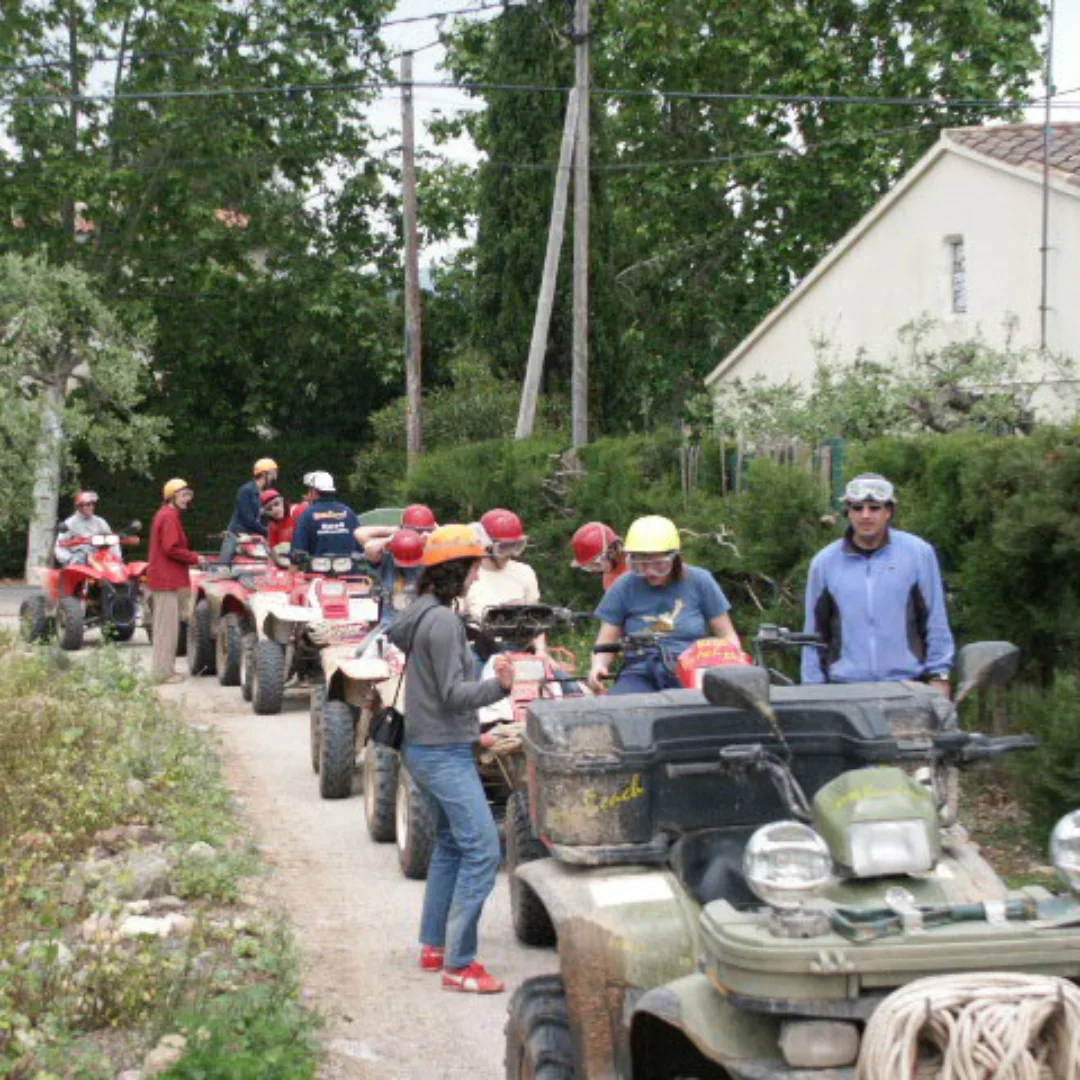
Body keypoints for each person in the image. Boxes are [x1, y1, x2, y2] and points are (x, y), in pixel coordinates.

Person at [387, 523, 513, 994]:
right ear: (457, 570)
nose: (478, 575)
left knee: (451, 845)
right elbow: (451, 693)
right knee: (483, 849)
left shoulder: (422, 613)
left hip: (432, 744)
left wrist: (471, 736)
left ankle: (434, 944)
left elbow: (432, 693)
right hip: (440, 752)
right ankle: (460, 965)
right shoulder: (442, 621)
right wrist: (499, 687)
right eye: (476, 566)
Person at [801, 473, 954, 693]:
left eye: (874, 508)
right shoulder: (824, 563)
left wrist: (940, 675)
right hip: (845, 690)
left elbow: (935, 619)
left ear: (888, 512)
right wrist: (811, 688)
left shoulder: (918, 554)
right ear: (848, 513)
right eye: (857, 508)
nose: (865, 515)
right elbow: (814, 632)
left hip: (908, 687)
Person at [586, 514, 741, 695]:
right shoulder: (623, 586)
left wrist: (733, 666)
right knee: (621, 706)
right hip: (640, 671)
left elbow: (728, 637)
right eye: (639, 565)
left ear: (674, 558)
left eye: (659, 565)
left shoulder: (701, 581)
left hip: (692, 668)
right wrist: (598, 666)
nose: (648, 572)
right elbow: (604, 643)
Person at [148, 479, 205, 683]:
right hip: (166, 579)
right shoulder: (169, 516)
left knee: (168, 627)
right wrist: (195, 558)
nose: (187, 499)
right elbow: (170, 548)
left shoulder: (167, 514)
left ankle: (165, 670)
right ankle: (162, 673)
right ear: (172, 496)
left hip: (165, 579)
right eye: (183, 495)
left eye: (188, 495)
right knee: (166, 628)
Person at [289, 471, 360, 563]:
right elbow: (360, 547)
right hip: (349, 574)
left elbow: (297, 553)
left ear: (314, 491)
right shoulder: (349, 513)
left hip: (318, 574)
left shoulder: (307, 516)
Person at [219, 457, 278, 565]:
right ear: (264, 474)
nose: (274, 478)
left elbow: (261, 517)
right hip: (236, 537)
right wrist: (267, 532)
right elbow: (247, 519)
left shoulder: (263, 493)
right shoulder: (246, 490)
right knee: (224, 567)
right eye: (273, 474)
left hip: (252, 538)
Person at [54, 491, 120, 565]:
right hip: (78, 561)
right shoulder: (70, 523)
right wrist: (69, 558)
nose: (91, 507)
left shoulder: (100, 522)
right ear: (79, 506)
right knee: (79, 558)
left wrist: (117, 559)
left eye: (93, 504)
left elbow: (113, 542)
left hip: (98, 559)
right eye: (88, 504)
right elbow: (59, 547)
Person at [570, 521, 628, 591]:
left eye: (597, 564)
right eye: (588, 567)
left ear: (611, 553)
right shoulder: (609, 579)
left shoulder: (639, 568)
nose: (595, 570)